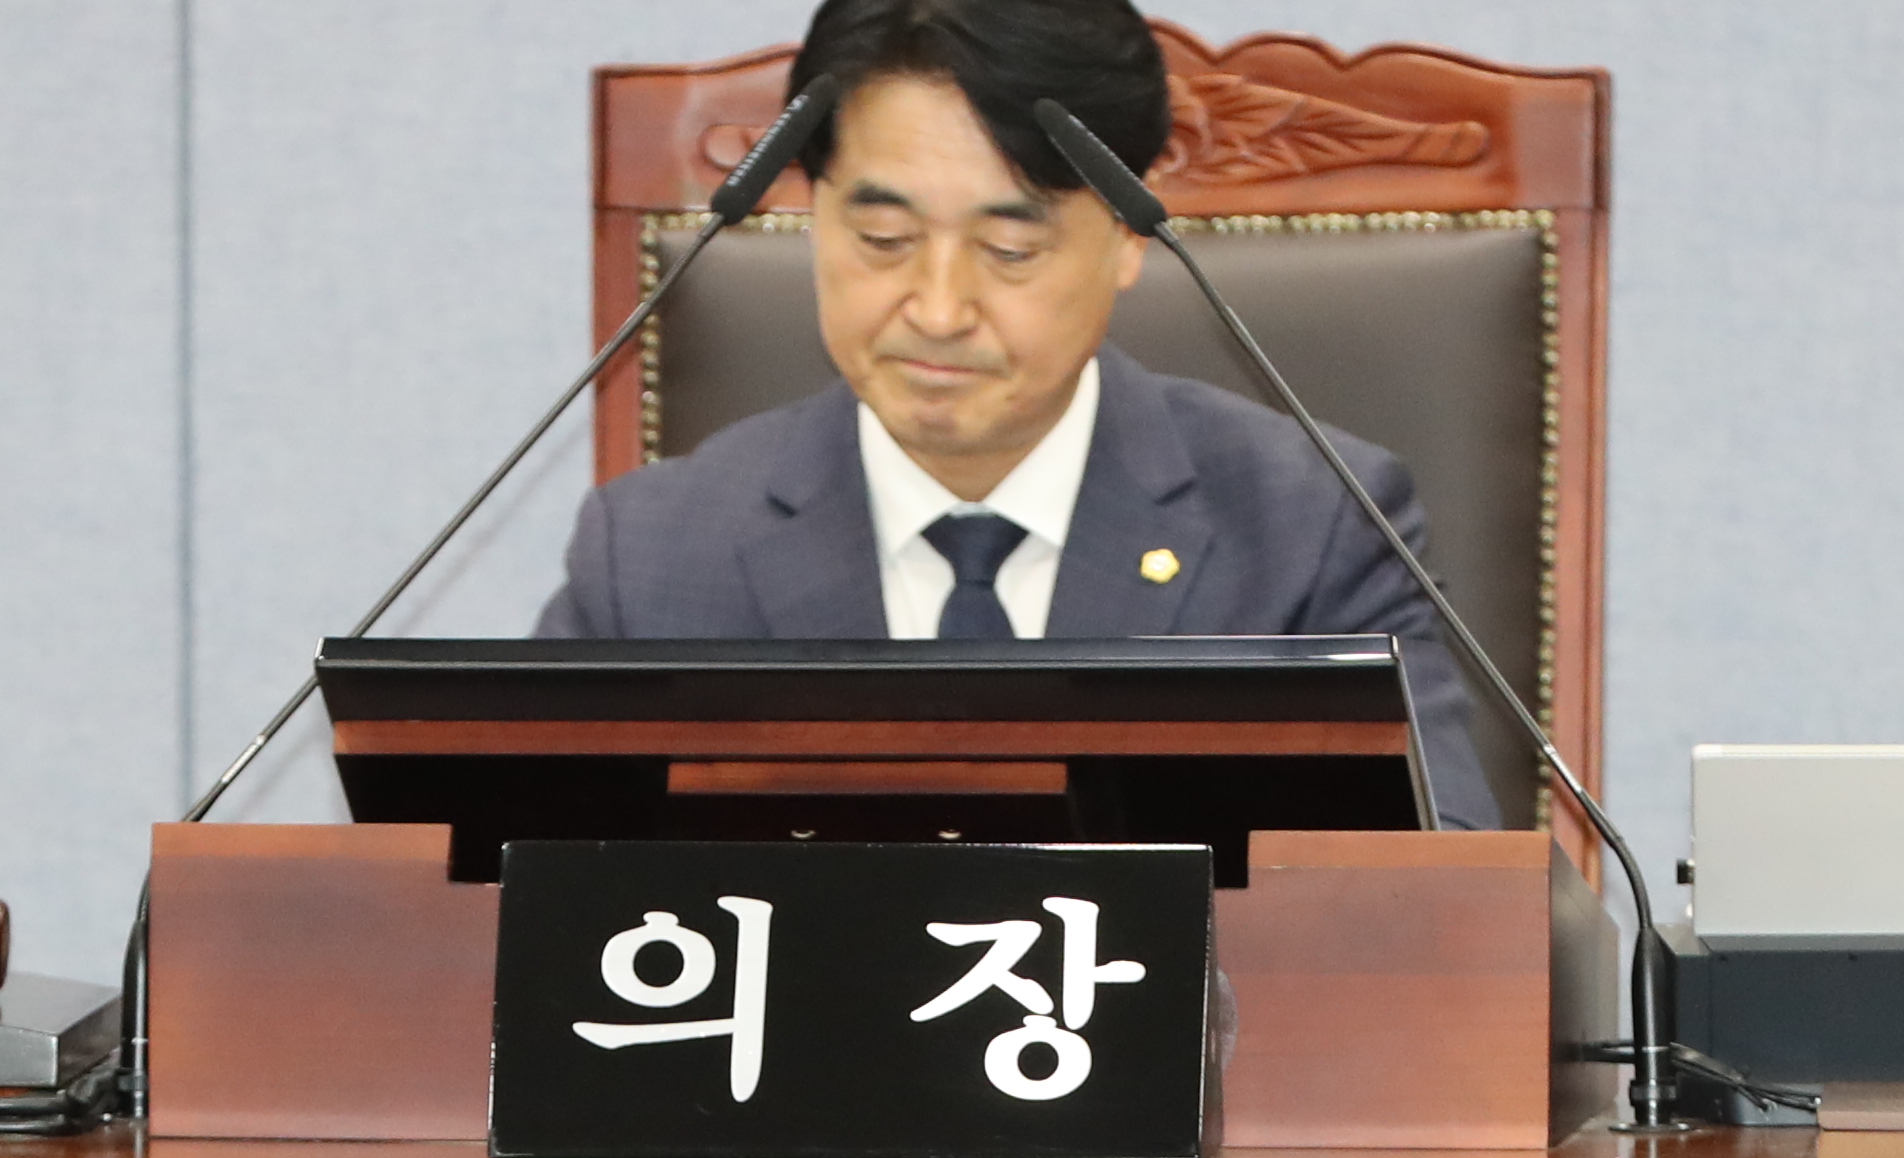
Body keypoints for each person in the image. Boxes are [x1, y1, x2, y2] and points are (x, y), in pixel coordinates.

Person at [535, 0, 1501, 833]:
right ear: (812, 211)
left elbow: (1433, 909)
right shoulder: (654, 556)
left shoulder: (1314, 530)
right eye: (883, 238)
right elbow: (504, 909)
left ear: (1127, 237)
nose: (939, 308)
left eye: (1007, 248)